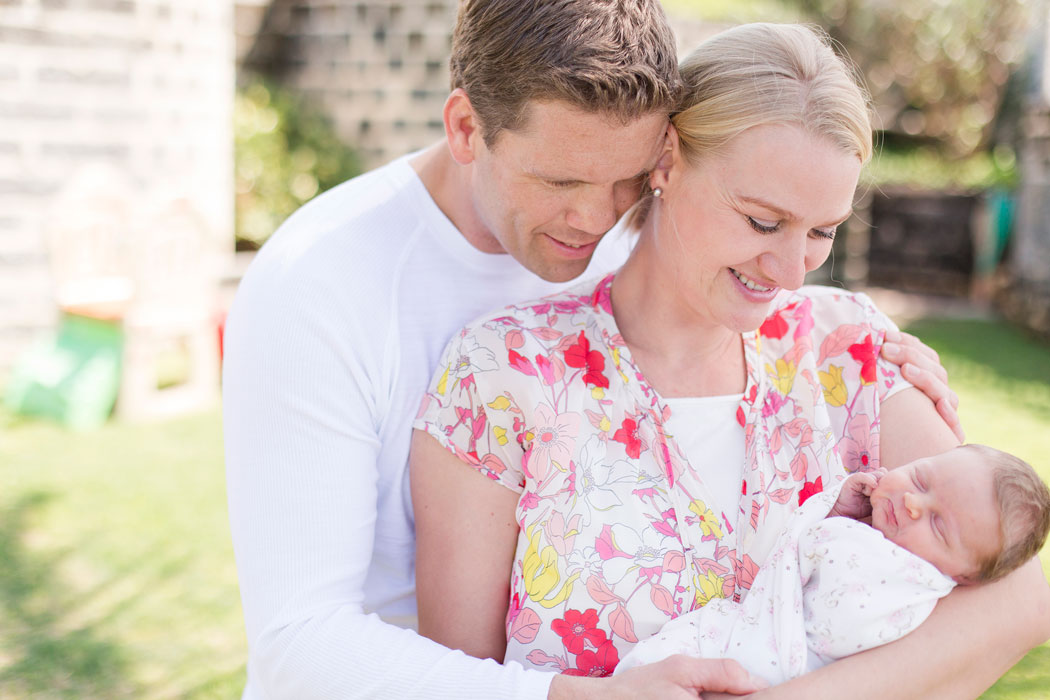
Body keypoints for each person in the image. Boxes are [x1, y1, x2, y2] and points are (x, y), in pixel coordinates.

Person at [409, 21, 1050, 699]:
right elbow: (452, 682)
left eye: (821, 232)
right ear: (667, 161)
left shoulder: (850, 353)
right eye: (763, 222)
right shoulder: (502, 376)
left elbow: (1013, 602)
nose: (791, 272)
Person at [615, 444, 1050, 684]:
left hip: (771, 666)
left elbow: (835, 618)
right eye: (919, 478)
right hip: (737, 637)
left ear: (961, 576)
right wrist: (839, 510)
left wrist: (839, 527)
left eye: (938, 524)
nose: (914, 503)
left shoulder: (909, 585)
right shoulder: (887, 543)